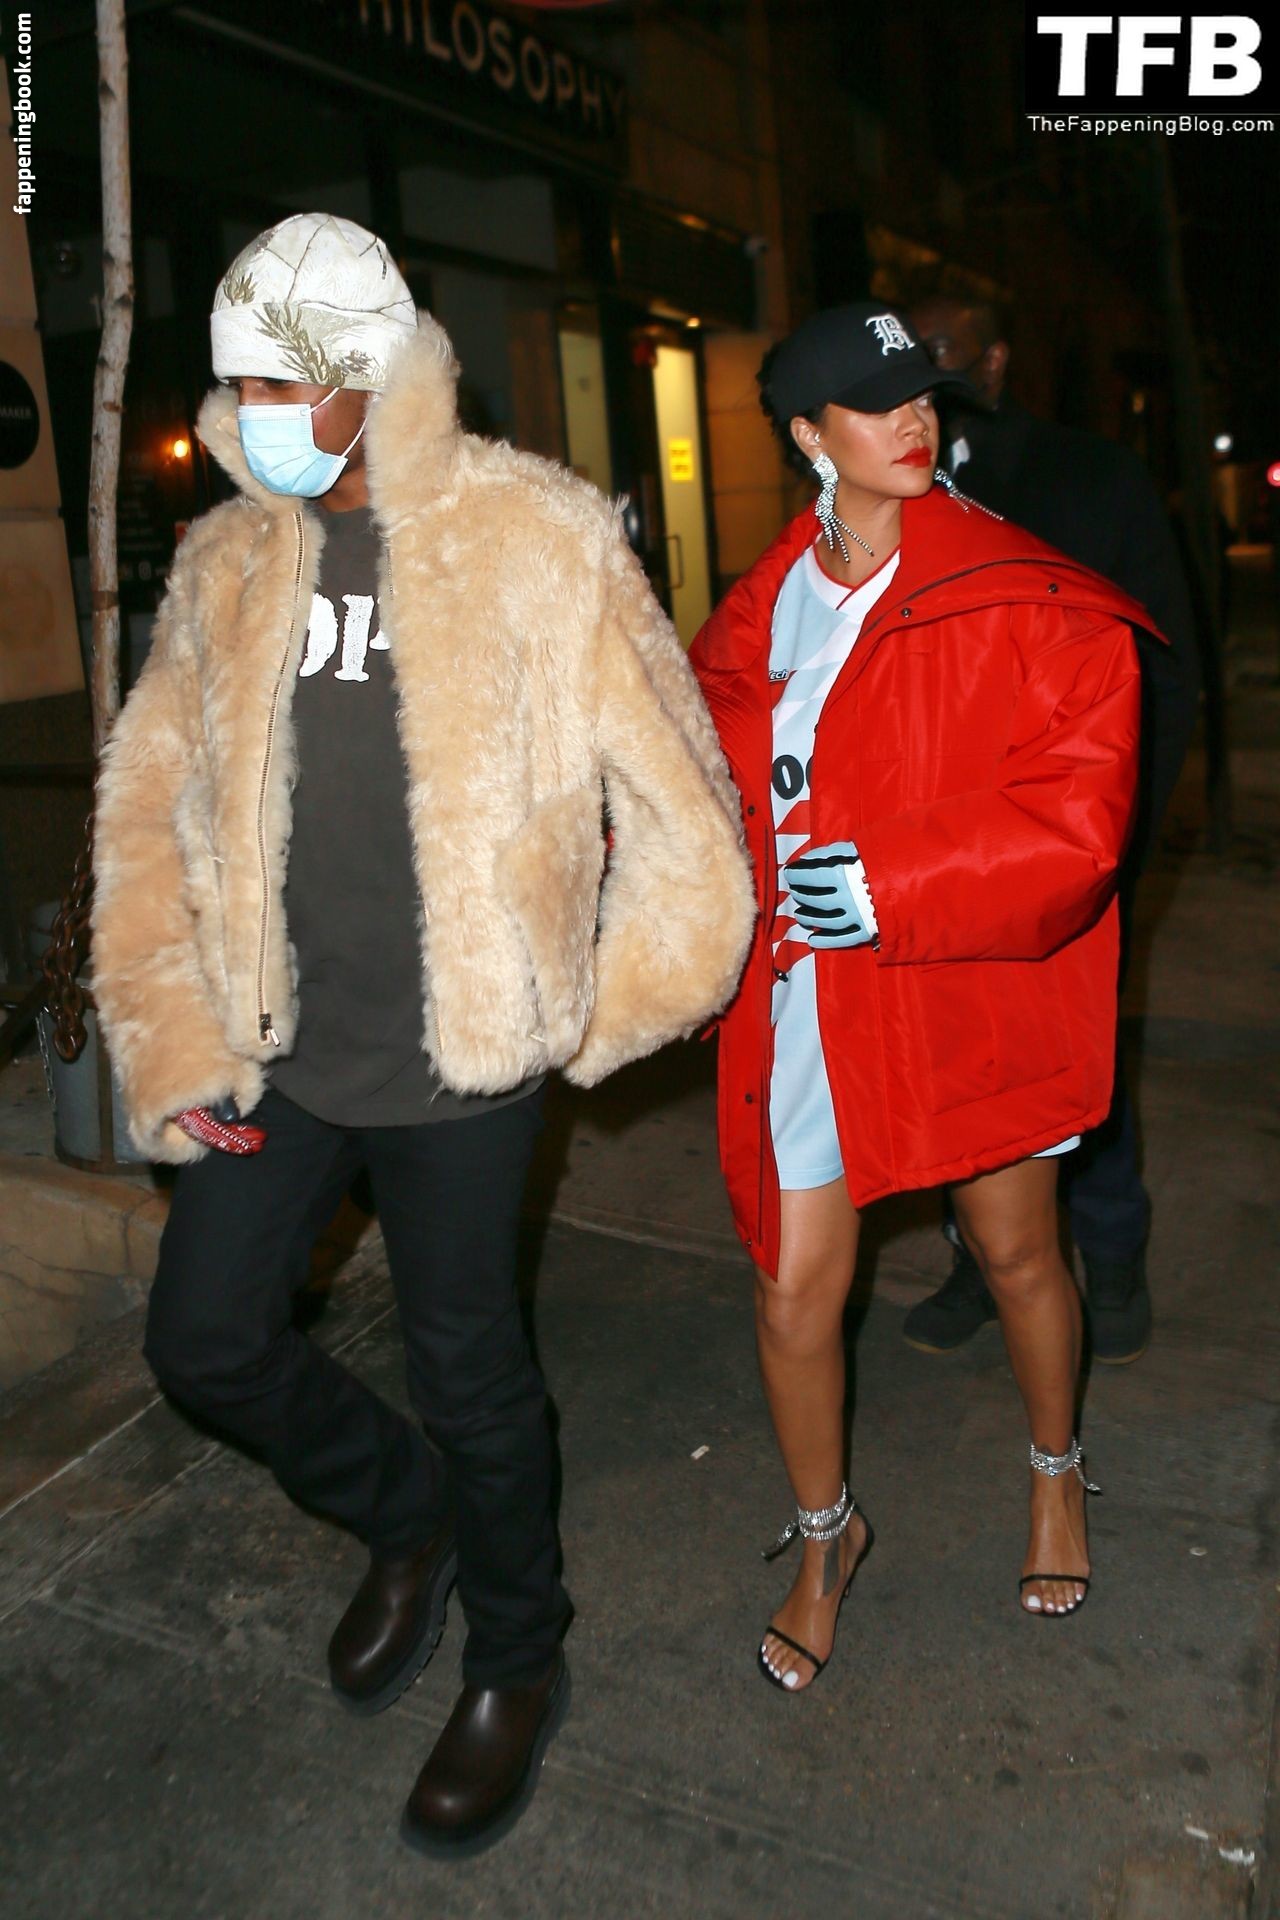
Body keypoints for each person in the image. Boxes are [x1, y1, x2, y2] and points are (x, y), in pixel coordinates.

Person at [92, 213, 754, 1854]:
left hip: (464, 1067)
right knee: (204, 1338)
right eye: (236, 383)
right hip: (275, 1055)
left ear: (365, 374)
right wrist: (174, 1047)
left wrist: (578, 1013)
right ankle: (411, 1521)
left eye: (274, 384)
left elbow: (687, 812)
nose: (243, 413)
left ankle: (518, 1658)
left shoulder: (536, 534)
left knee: (473, 1371)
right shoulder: (229, 559)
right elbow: (148, 812)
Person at [690, 303, 1152, 1690]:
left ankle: (1056, 1471)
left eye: (920, 395)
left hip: (964, 978)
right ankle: (826, 1536)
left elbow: (1080, 811)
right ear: (804, 435)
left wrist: (894, 879)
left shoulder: (1022, 588)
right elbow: (697, 785)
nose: (911, 419)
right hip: (809, 993)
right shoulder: (761, 609)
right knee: (789, 1293)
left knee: (1015, 1254)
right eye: (873, 400)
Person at [902, 293, 1201, 1365]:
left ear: (993, 360)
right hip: (938, 846)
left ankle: (1111, 1256)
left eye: (942, 354)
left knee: (1080, 1054)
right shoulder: (887, 486)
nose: (922, 377)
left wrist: (1117, 838)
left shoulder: (1092, 476)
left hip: (1070, 838)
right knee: (959, 1062)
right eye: (908, 355)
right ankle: (977, 1257)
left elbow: (1163, 668)